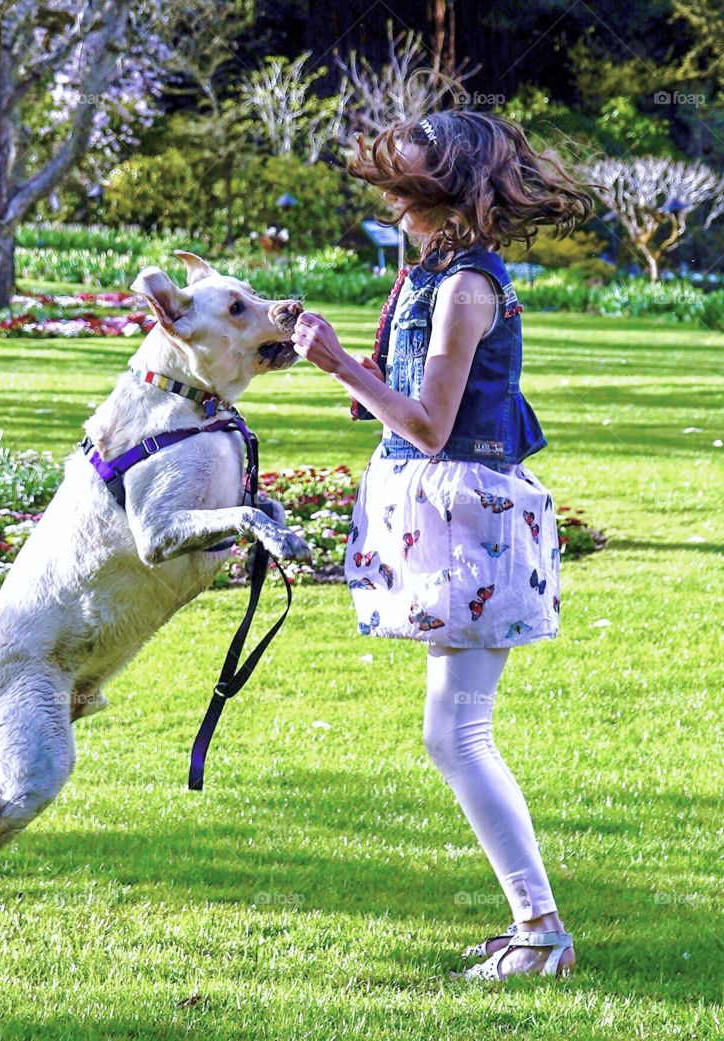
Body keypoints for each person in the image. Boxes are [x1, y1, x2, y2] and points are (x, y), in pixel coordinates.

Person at [289, 109, 593, 981]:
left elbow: (428, 426)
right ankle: (535, 925)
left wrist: (343, 366)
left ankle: (541, 931)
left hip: (469, 515)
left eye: (403, 191)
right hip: (450, 514)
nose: (389, 204)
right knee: (452, 731)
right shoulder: (434, 273)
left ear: (442, 198)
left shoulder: (467, 288)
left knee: (458, 733)